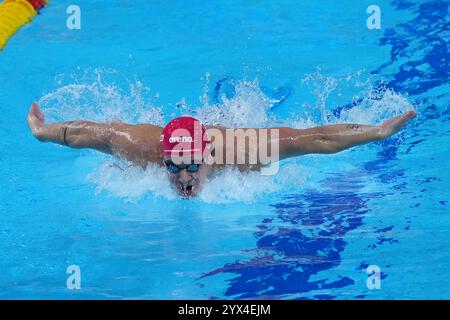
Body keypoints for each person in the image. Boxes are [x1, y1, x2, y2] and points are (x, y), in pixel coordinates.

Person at [27, 102, 416, 197]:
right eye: (173, 167)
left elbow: (316, 138)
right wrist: (45, 133)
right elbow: (91, 133)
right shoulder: (142, 149)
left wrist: (377, 132)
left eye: (192, 167)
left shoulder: (243, 152)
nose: (182, 179)